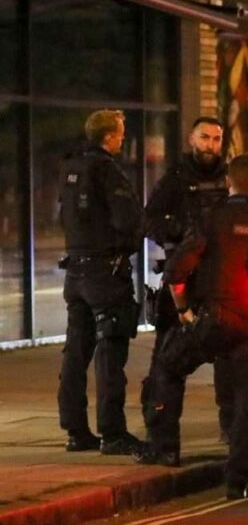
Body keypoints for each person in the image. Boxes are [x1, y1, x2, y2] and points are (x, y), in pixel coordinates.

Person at [136, 155, 248, 500]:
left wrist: (185, 314)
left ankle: (165, 447)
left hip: (213, 321)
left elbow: (176, 273)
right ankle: (237, 479)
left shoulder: (210, 220)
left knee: (167, 366)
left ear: (229, 181)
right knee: (247, 397)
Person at [58, 109, 144, 454]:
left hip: (76, 271)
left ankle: (76, 431)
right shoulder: (108, 171)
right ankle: (112, 433)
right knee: (110, 352)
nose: (123, 138)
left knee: (75, 353)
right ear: (109, 137)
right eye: (120, 133)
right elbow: (128, 221)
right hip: (105, 274)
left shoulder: (72, 168)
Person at [143, 117, 234, 443]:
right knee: (167, 360)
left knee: (229, 360)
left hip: (221, 280)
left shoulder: (228, 178)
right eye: (204, 137)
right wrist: (183, 233)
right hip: (182, 279)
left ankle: (231, 430)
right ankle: (162, 438)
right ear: (191, 139)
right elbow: (149, 220)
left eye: (216, 139)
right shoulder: (176, 179)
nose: (210, 144)